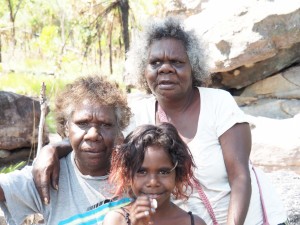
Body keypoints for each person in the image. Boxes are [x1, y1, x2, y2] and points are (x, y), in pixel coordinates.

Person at [32, 17, 288, 225]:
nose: (165, 69)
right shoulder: (137, 114)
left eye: (176, 62)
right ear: (143, 71)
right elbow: (100, 136)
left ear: (193, 67)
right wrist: (53, 149)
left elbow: (240, 176)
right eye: (156, 63)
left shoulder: (219, 103)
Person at [0, 75, 132, 224]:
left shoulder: (136, 169)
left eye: (106, 124)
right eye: (83, 123)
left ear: (119, 130)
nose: (93, 134)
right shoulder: (48, 174)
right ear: (66, 127)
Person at [103, 123, 206, 225]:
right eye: (142, 172)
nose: (153, 182)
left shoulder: (193, 223)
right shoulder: (116, 220)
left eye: (163, 172)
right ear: (128, 174)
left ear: (177, 174)